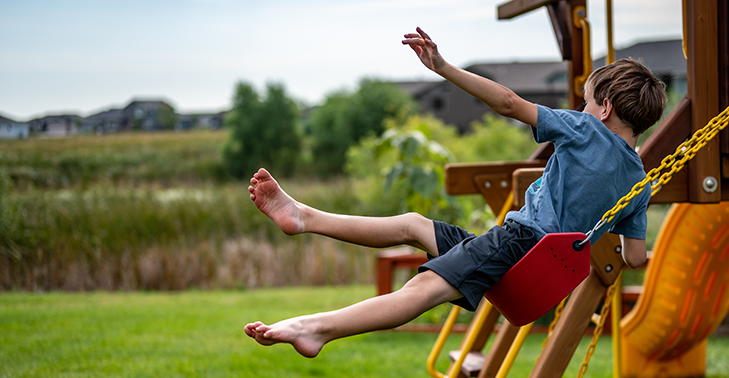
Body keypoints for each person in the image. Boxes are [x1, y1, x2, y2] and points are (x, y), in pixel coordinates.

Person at [244, 27, 667, 358]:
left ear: (605, 107)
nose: (582, 110)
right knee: (413, 226)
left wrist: (443, 68)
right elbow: (633, 258)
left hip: (517, 245)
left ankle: (316, 328)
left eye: (587, 102)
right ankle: (303, 218)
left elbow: (506, 102)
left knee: (421, 291)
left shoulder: (585, 129)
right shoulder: (639, 182)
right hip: (529, 265)